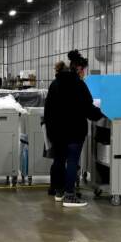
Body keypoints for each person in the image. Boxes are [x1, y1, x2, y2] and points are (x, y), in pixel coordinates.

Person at [44, 50, 103, 207]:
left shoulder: (55, 84)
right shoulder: (78, 85)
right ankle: (70, 196)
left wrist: (51, 131)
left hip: (56, 132)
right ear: (79, 69)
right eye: (84, 70)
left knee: (59, 159)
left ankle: (59, 191)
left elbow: (48, 110)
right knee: (72, 161)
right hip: (74, 131)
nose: (84, 73)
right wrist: (101, 113)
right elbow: (87, 108)